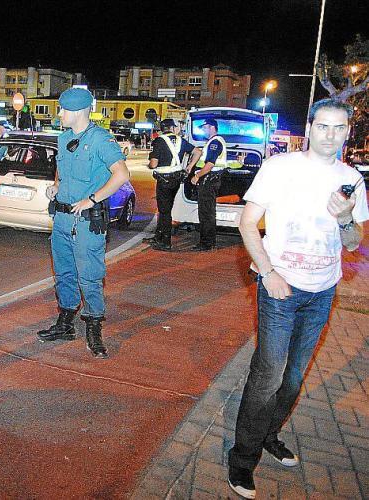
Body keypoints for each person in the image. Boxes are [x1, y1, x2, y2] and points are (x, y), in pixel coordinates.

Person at [227, 98, 368, 499]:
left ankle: (269, 435)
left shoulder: (351, 179)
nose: (330, 135)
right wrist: (268, 272)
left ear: (347, 132)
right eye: (323, 126)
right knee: (268, 374)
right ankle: (243, 459)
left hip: (323, 290)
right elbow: (247, 222)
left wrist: (344, 216)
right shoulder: (280, 167)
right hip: (281, 288)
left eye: (339, 128)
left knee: (293, 377)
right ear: (309, 128)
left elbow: (354, 243)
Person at [37, 87, 130, 359]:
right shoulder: (63, 138)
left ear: (78, 111)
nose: (59, 114)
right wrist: (56, 186)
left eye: (63, 110)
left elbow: (122, 174)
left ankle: (93, 327)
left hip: (86, 223)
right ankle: (65, 322)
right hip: (62, 219)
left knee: (89, 277)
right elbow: (61, 170)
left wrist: (93, 199)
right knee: (64, 274)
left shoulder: (99, 139)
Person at [147, 119, 202, 250]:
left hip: (164, 179)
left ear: (162, 129)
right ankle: (158, 236)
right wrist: (189, 166)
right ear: (172, 128)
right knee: (167, 208)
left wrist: (149, 165)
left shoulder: (159, 141)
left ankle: (165, 241)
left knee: (164, 211)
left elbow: (153, 164)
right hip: (176, 179)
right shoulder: (180, 140)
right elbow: (198, 152)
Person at [188, 117, 227, 251]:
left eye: (204, 127)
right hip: (210, 180)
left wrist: (197, 176)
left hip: (209, 180)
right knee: (207, 211)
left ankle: (207, 243)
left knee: (206, 212)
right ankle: (208, 242)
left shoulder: (214, 143)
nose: (203, 130)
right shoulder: (213, 142)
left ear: (212, 127)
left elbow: (209, 164)